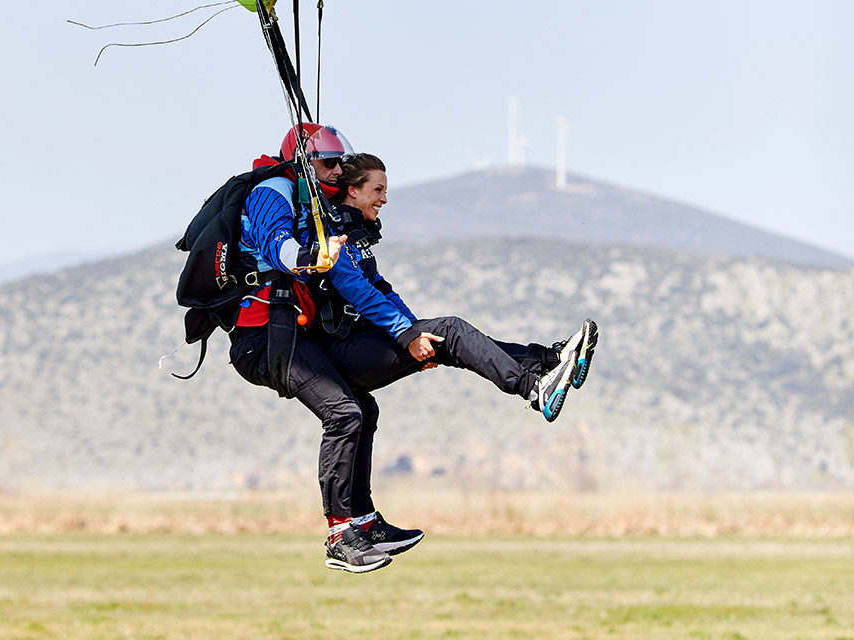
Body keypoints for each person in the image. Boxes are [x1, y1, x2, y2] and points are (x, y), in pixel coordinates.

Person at [308, 153, 598, 498]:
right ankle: (534, 389)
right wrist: (406, 335)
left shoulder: (356, 239)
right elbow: (358, 293)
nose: (384, 198)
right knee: (452, 329)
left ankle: (549, 359)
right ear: (352, 191)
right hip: (339, 355)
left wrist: (415, 331)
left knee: (447, 337)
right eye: (378, 189)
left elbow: (382, 290)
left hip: (361, 345)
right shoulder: (333, 238)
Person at [225, 125, 423, 574]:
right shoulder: (273, 190)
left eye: (340, 163)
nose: (337, 172)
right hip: (262, 340)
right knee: (343, 413)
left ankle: (365, 521)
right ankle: (340, 534)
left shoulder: (308, 199)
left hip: (294, 335)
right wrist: (312, 257)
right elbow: (278, 246)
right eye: (329, 163)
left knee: (362, 409)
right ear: (302, 163)